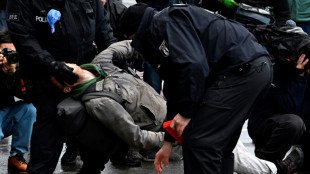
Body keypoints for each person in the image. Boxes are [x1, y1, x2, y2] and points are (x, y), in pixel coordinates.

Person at [119, 3, 273, 174]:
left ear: (138, 31)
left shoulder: (163, 24)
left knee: (200, 142)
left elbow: (194, 66)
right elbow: (175, 88)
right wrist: (168, 142)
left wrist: (187, 113)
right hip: (252, 69)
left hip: (241, 70)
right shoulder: (167, 23)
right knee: (218, 146)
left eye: (134, 39)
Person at [6, 0, 117, 173]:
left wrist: (117, 59)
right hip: (47, 83)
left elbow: (104, 33)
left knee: (98, 147)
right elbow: (23, 38)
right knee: (45, 150)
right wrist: (52, 66)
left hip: (85, 81)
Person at [52, 40, 167, 173]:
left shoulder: (102, 62)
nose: (66, 71)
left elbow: (133, 45)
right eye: (61, 76)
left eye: (65, 66)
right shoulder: (98, 102)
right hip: (163, 126)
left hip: (167, 108)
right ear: (66, 89)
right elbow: (136, 137)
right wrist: (170, 138)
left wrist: (156, 53)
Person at [248, 52, 310, 173]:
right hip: (266, 125)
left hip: (293, 124)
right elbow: (292, 108)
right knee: (294, 123)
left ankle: (296, 165)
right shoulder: (281, 71)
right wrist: (299, 77)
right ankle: (267, 164)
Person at [0, 28, 36, 172]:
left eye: (12, 52)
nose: (9, 55)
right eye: (5, 51)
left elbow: (28, 95)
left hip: (5, 113)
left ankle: (17, 157)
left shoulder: (17, 66)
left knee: (29, 108)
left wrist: (13, 74)